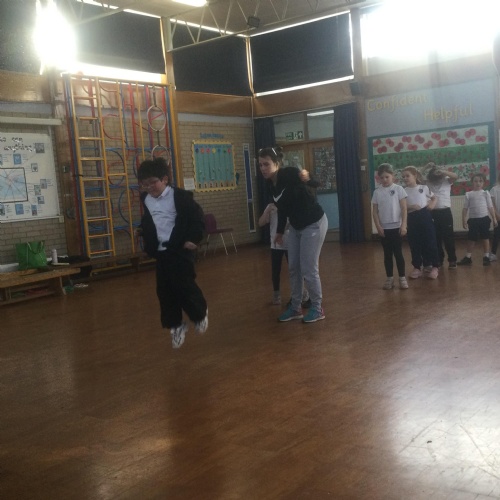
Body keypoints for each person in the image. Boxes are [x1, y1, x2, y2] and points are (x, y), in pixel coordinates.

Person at [137, 157, 208, 349]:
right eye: (145, 184)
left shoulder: (180, 197)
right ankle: (176, 326)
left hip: (180, 249)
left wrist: (194, 239)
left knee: (184, 286)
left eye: (153, 182)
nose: (149, 187)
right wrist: (146, 236)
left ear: (165, 179)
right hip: (162, 252)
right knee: (164, 291)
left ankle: (200, 314)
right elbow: (150, 221)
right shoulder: (146, 199)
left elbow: (197, 219)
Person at [258, 146, 327, 323]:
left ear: (276, 163)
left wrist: (308, 177)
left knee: (309, 268)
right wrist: (280, 232)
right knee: (294, 267)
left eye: (266, 164)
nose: (263, 168)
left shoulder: (288, 173)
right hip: (296, 226)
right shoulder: (269, 184)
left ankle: (317, 308)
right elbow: (282, 209)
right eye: (260, 165)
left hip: (313, 223)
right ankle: (296, 308)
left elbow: (315, 184)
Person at [258, 203, 311, 307]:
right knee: (275, 270)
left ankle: (303, 293)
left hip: (290, 243)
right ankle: (276, 294)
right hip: (275, 245)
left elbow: (292, 224)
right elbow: (260, 223)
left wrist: (281, 232)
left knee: (295, 269)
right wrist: (267, 211)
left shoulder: (289, 205)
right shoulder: (270, 206)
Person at [372, 163, 408, 290]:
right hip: (384, 229)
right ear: (379, 178)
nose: (384, 180)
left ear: (392, 176)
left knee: (398, 253)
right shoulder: (377, 192)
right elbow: (374, 212)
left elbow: (404, 209)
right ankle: (389, 278)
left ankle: (402, 278)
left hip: (397, 227)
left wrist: (404, 225)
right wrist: (378, 226)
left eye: (387, 177)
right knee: (387, 254)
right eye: (382, 178)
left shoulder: (399, 189)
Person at [402, 166, 439, 279]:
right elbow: (402, 206)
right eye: (403, 176)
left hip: (424, 216)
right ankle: (417, 267)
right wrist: (412, 206)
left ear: (415, 176)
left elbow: (434, 198)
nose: (405, 178)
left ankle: (435, 266)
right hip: (412, 217)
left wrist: (431, 205)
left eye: (407, 176)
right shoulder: (403, 191)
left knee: (430, 241)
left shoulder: (423, 188)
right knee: (415, 243)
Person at [457, 172, 498, 266]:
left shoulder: (485, 193)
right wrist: (463, 219)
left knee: (485, 237)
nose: (478, 183)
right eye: (475, 181)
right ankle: (468, 257)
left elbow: (490, 207)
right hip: (473, 220)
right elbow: (465, 208)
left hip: (484, 219)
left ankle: (486, 256)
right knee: (471, 238)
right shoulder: (469, 194)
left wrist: (494, 218)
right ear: (472, 182)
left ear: (483, 183)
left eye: (480, 181)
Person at [425, 162, 458, 269]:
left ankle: (452, 260)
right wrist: (426, 167)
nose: (437, 174)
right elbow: (417, 176)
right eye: (435, 173)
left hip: (445, 212)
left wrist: (442, 171)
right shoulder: (428, 182)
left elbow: (455, 176)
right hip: (432, 213)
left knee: (448, 238)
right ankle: (439, 260)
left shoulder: (447, 180)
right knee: (436, 238)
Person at [489, 177, 500, 261]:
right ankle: (493, 253)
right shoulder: (494, 189)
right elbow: (492, 204)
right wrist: (496, 214)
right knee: (496, 235)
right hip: (498, 216)